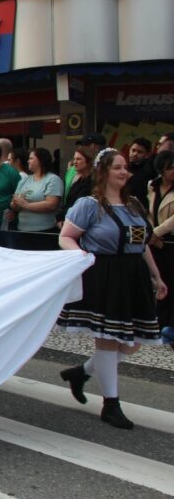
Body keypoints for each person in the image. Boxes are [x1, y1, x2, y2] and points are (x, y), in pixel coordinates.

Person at [57, 148, 166, 429]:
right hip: (106, 274)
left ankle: (81, 372)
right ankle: (111, 404)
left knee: (133, 343)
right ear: (103, 171)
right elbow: (66, 237)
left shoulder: (135, 205)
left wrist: (157, 276)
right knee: (108, 339)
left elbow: (142, 246)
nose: (123, 172)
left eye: (125, 167)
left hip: (134, 276)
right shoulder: (89, 205)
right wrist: (82, 257)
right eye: (117, 167)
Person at [146, 150, 174, 338]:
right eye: (169, 168)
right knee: (159, 280)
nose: (173, 171)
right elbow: (147, 212)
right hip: (155, 243)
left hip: (170, 240)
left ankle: (170, 325)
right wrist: (151, 233)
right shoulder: (152, 186)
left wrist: (156, 232)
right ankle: (160, 321)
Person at [11, 147, 63, 234]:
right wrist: (15, 204)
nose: (28, 161)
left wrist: (26, 205)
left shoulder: (53, 179)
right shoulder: (25, 179)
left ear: (40, 160)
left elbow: (51, 205)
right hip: (22, 229)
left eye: (31, 158)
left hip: (44, 231)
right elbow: (14, 202)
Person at [58, 149, 92, 226]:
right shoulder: (79, 179)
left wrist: (60, 216)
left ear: (88, 161)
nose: (75, 162)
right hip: (70, 220)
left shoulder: (91, 181)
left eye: (78, 159)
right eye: (74, 159)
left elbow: (78, 205)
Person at [126, 137, 154, 208]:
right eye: (133, 150)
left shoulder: (149, 173)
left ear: (147, 155)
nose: (135, 154)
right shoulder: (123, 167)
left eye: (140, 152)